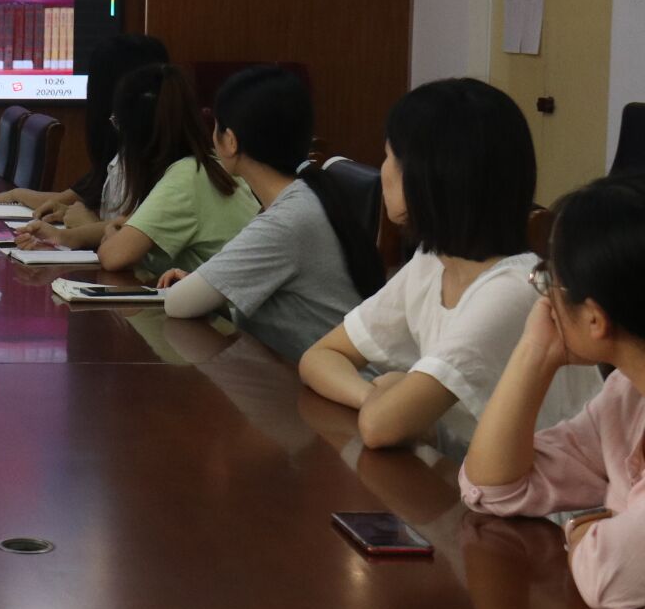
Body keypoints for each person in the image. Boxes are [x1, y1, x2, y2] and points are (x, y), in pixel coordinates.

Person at [299, 78, 597, 449]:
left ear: (428, 178)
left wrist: (392, 396)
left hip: (549, 486)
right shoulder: (432, 263)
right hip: (471, 475)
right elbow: (320, 357)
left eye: (390, 157)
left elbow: (381, 427)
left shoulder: (514, 289)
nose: (383, 169)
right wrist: (373, 394)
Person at [460, 174, 645, 609]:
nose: (544, 300)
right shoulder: (627, 394)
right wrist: (535, 353)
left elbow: (609, 577)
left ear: (595, 319)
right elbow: (491, 485)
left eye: (550, 281)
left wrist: (580, 530)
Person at [155, 66, 384, 361]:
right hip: (318, 374)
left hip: (336, 384)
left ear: (231, 141)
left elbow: (177, 303)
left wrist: (198, 287)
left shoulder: (289, 218)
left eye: (215, 126)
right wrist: (212, 284)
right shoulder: (306, 196)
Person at [54, 63, 256, 274]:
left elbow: (113, 256)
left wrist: (107, 233)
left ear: (133, 134)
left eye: (117, 123)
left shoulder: (186, 178)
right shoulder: (207, 166)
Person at [0, 33, 170, 233]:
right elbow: (71, 199)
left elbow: (130, 237)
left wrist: (85, 226)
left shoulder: (165, 168)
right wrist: (16, 195)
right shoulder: (124, 154)